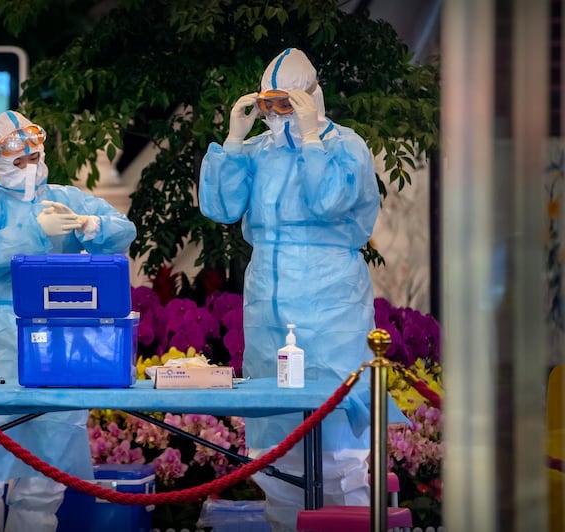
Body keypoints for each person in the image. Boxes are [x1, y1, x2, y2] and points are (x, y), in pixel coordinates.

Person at [198, 48, 388, 531]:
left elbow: (329, 202)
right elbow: (220, 207)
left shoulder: (345, 146)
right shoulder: (258, 152)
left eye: (287, 104)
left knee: (340, 446)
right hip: (267, 305)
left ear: (310, 98)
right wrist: (234, 142)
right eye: (270, 105)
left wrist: (311, 141)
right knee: (275, 444)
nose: (276, 114)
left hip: (331, 306)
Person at [0, 110, 136, 532]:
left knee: (46, 472)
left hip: (59, 337)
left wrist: (89, 223)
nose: (29, 168)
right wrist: (35, 232)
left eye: (35, 158)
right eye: (19, 161)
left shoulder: (66, 196)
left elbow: (122, 231)